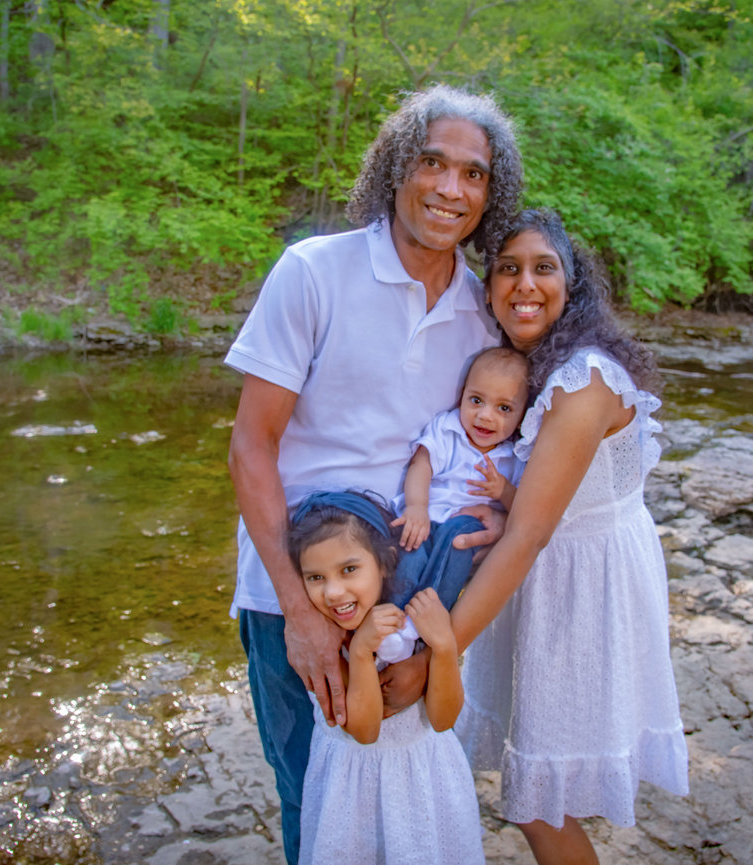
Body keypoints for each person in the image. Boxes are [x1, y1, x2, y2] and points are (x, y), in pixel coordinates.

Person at [225, 84, 522, 863]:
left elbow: (491, 447)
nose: (451, 188)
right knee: (315, 801)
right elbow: (250, 445)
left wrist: (501, 513)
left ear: (492, 193)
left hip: (419, 600)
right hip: (297, 591)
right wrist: (299, 611)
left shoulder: (484, 314)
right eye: (432, 162)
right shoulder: (313, 272)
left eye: (474, 173)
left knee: (407, 802)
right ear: (396, 167)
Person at [449, 209, 689, 864]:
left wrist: (442, 650)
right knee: (536, 799)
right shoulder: (530, 367)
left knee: (537, 801)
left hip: (584, 597)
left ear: (572, 283)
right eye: (508, 268)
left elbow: (531, 533)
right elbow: (545, 500)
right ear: (491, 285)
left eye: (543, 268)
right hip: (561, 576)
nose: (524, 284)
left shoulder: (582, 378)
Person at [288, 491, 484, 865]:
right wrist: (361, 652)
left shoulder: (415, 628)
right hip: (350, 798)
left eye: (349, 570)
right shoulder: (328, 645)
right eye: (315, 577)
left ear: (385, 563)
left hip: (427, 783)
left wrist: (442, 648)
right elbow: (365, 731)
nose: (333, 592)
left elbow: (443, 720)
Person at [375, 346, 528, 663]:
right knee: (410, 554)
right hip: (428, 519)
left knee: (458, 541)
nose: (485, 415)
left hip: (464, 526)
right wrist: (417, 507)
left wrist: (502, 491)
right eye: (476, 401)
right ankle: (394, 623)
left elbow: (523, 507)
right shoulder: (449, 430)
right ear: (462, 395)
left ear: (521, 415)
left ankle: (423, 627)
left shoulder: (513, 456)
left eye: (503, 408)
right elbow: (422, 465)